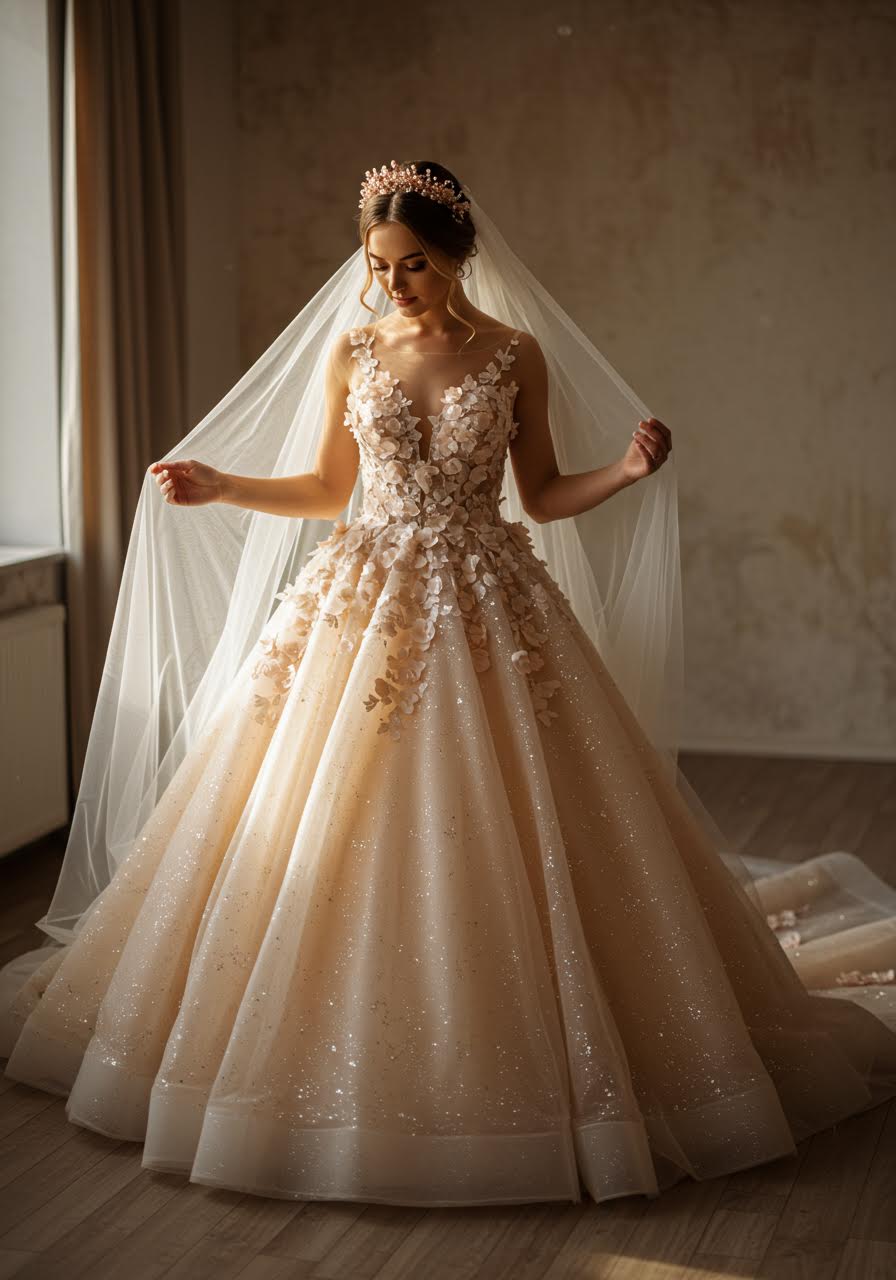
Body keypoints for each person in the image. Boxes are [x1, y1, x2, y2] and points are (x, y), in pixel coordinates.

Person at [1, 160, 894, 1209]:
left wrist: (625, 472)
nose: (393, 285)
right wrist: (219, 485)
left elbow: (543, 494)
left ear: (461, 253)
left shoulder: (514, 355)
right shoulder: (354, 349)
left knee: (516, 823)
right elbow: (333, 489)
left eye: (413, 264)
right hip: (358, 601)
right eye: (378, 266)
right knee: (307, 812)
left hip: (487, 600)